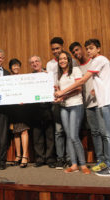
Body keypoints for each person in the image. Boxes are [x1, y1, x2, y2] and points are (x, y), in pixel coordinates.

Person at [55, 39, 110, 177]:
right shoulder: (105, 61)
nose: (89, 51)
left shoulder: (98, 60)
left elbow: (82, 81)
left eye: (91, 48)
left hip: (108, 102)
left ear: (98, 49)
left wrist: (62, 92)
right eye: (87, 48)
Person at [69, 42, 106, 172]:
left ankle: (109, 160)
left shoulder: (95, 61)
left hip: (100, 102)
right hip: (87, 105)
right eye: (73, 52)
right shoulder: (76, 67)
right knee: (95, 133)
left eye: (77, 50)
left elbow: (106, 78)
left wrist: (98, 89)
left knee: (103, 132)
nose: (76, 53)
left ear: (83, 50)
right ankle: (100, 160)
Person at [55, 51, 90, 174]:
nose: (62, 61)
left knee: (74, 136)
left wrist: (63, 95)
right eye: (60, 59)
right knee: (68, 136)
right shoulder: (59, 75)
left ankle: (83, 164)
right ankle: (74, 164)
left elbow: (79, 88)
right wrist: (57, 96)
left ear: (69, 60)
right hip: (64, 107)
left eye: (64, 58)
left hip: (76, 105)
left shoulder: (75, 70)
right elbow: (58, 91)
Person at [29, 55, 56, 168]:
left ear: (40, 62)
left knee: (49, 135)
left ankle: (50, 159)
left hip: (48, 108)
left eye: (37, 61)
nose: (35, 63)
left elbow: (54, 88)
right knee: (37, 136)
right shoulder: (29, 78)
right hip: (35, 109)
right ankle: (39, 158)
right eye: (32, 62)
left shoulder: (48, 75)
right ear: (31, 65)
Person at [46, 37, 66, 169]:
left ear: (62, 47)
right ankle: (60, 158)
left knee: (70, 131)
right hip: (55, 101)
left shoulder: (71, 61)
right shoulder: (49, 64)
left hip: (70, 99)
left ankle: (71, 158)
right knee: (58, 130)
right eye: (53, 49)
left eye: (57, 48)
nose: (55, 51)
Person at [8, 58, 30, 168]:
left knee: (24, 130)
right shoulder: (7, 79)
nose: (16, 67)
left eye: (17, 65)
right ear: (11, 68)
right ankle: (18, 155)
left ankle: (25, 156)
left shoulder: (24, 78)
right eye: (13, 66)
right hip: (12, 108)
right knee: (15, 132)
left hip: (23, 107)